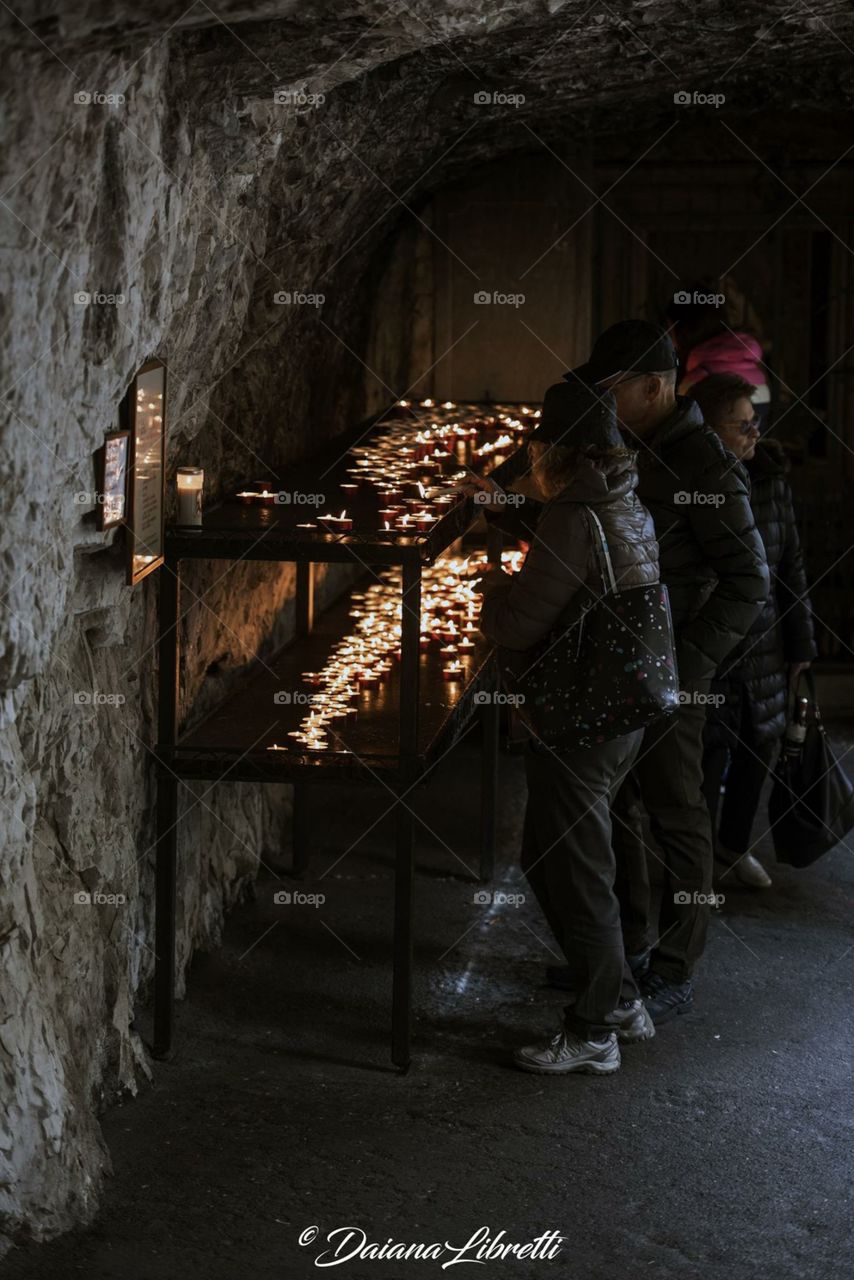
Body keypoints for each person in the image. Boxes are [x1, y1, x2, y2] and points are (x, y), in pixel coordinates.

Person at [472, 321, 769, 1025]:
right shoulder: (630, 451)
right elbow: (583, 537)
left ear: (653, 387)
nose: (606, 405)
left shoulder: (705, 464)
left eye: (614, 392)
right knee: (617, 811)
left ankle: (674, 963)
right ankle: (622, 957)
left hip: (670, 668)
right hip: (621, 666)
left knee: (676, 810)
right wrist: (508, 506)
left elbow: (748, 579)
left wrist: (683, 666)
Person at [476, 379, 659, 1075]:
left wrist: (489, 594)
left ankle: (593, 1031)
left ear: (557, 452)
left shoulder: (575, 515)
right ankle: (619, 1000)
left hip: (580, 716)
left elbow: (521, 621)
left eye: (536, 452)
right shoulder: (621, 498)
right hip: (618, 710)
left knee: (576, 871)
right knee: (553, 858)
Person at [687, 374, 816, 889]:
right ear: (708, 430)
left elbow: (793, 571)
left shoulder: (771, 483)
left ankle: (732, 848)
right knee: (705, 756)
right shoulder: (689, 487)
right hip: (712, 648)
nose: (754, 434)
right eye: (741, 425)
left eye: (754, 423)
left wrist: (802, 648)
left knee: (756, 752)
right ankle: (691, 860)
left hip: (765, 647)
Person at [670, 289, 772, 429]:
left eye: (670, 329)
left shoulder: (696, 380)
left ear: (683, 330)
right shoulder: (754, 367)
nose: (669, 338)